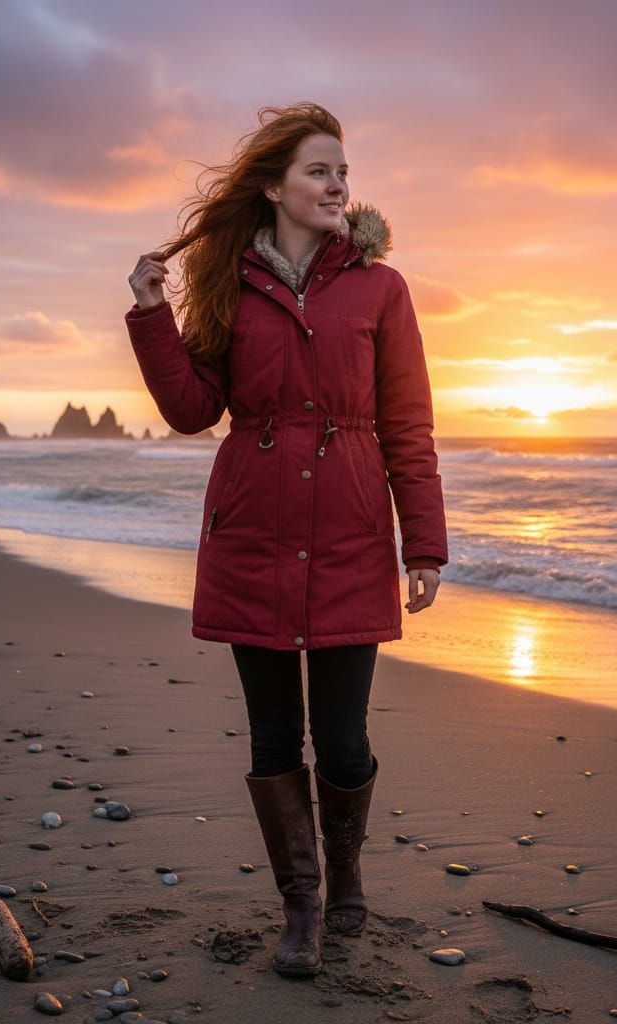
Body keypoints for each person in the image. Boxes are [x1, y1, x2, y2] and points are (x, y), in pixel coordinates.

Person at [124, 102, 447, 978]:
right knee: (274, 734)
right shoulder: (230, 282)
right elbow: (193, 410)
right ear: (274, 186)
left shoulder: (383, 289)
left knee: (343, 737)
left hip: (348, 532)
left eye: (343, 170)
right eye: (318, 170)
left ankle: (345, 874)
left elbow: (408, 426)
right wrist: (154, 315)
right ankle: (300, 907)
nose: (338, 183)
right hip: (252, 532)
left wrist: (424, 543)